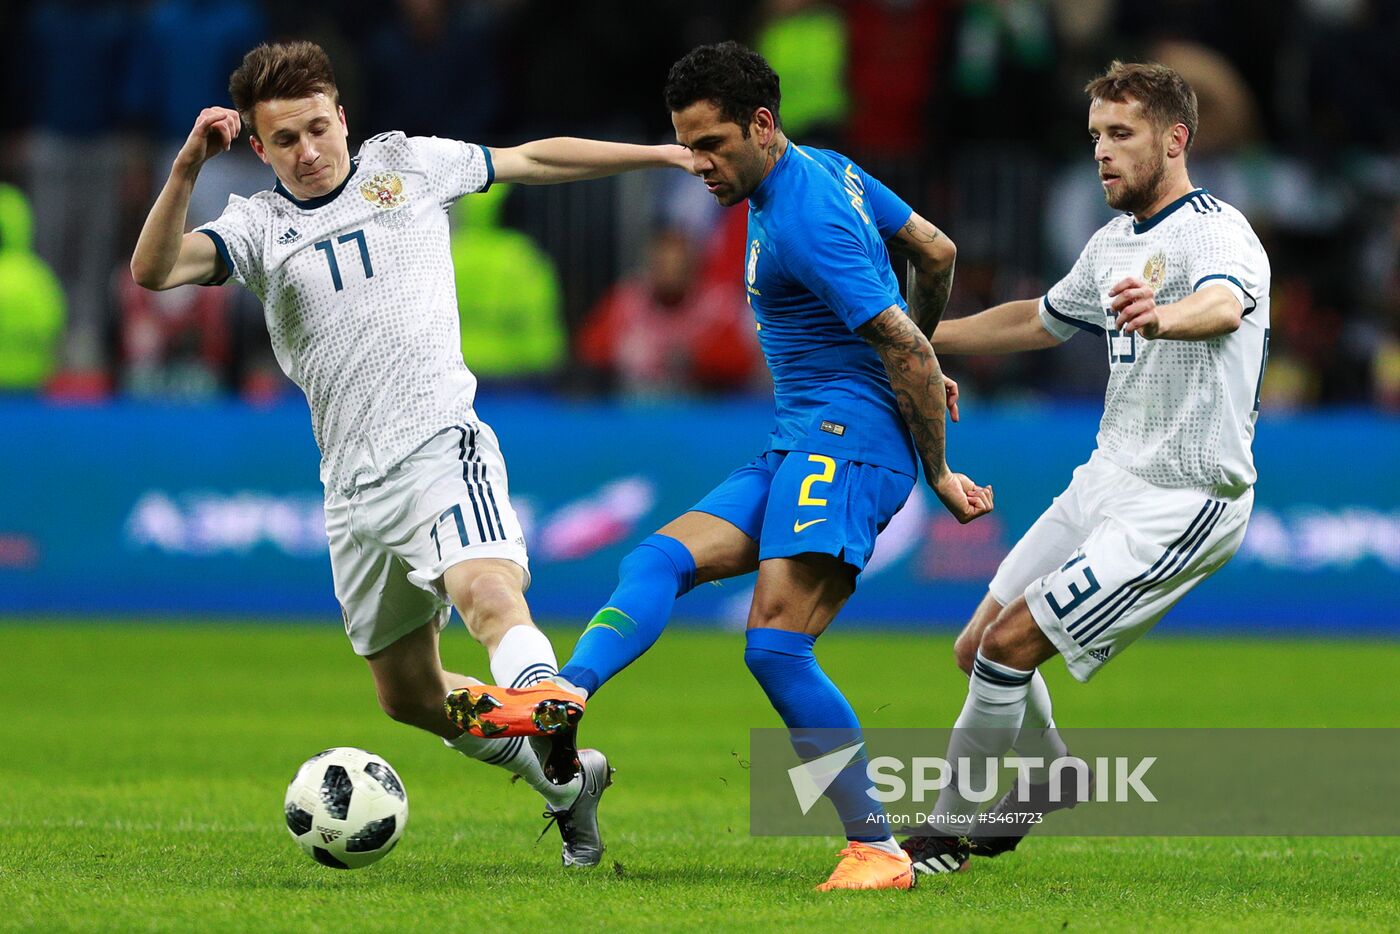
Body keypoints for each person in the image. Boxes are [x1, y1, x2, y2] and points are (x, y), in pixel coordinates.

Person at [129, 40, 691, 868]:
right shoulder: (256, 226)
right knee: (409, 695)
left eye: (318, 128)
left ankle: (544, 696)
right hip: (351, 489)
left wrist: (659, 155)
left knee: (487, 592)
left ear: (342, 117)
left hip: (437, 447)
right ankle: (565, 780)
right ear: (260, 148)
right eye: (284, 140)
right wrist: (184, 169)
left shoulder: (409, 166)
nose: (307, 151)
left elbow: (533, 159)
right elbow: (153, 270)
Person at [454, 41, 993, 891]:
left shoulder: (807, 217)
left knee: (776, 647)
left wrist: (938, 466)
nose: (697, 164)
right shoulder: (827, 168)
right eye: (686, 144)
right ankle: (564, 694)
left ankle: (878, 850)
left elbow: (903, 340)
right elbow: (935, 249)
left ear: (763, 125)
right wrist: (915, 356)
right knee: (658, 558)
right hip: (800, 438)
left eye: (711, 145)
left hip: (849, 442)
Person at [901, 60, 1271, 875]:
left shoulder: (1217, 232)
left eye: (1121, 134)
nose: (1102, 150)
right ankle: (1055, 773)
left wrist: (1164, 317)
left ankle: (941, 837)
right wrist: (916, 336)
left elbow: (1223, 305)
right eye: (1096, 134)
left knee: (1009, 646)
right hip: (1108, 474)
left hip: (1185, 499)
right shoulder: (1112, 244)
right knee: (976, 646)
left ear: (1174, 140)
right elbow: (1039, 321)